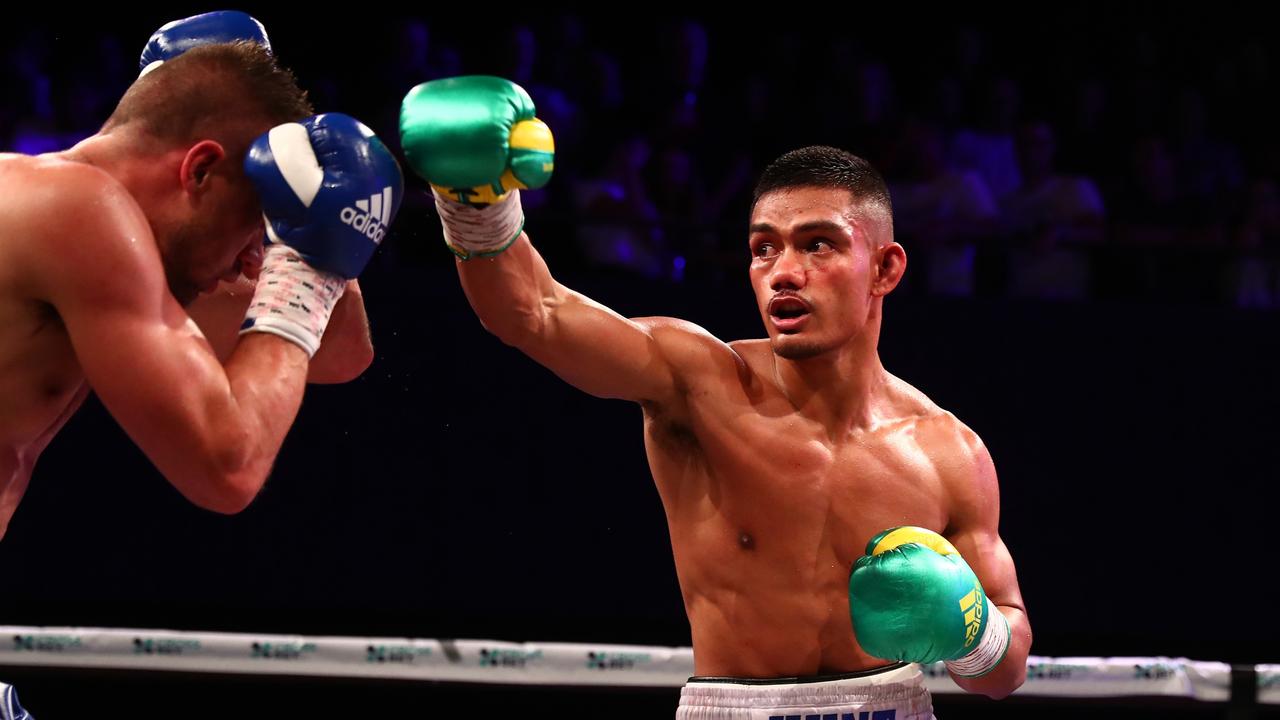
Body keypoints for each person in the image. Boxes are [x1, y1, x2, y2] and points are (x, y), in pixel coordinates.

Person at [400, 77, 1031, 718]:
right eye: (764, 249)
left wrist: (974, 633)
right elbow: (533, 311)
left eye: (819, 244)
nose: (784, 271)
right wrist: (473, 204)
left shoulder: (947, 451)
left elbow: (1005, 672)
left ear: (885, 269)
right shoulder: (698, 382)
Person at [0, 12, 403, 541]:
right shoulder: (79, 211)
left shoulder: (95, 247)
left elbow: (340, 352)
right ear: (200, 169)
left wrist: (320, 242)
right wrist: (304, 270)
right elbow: (228, 467)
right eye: (251, 228)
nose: (251, 263)